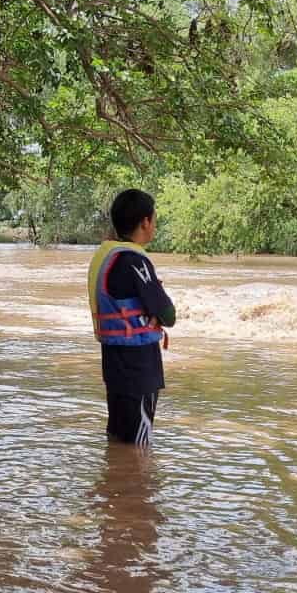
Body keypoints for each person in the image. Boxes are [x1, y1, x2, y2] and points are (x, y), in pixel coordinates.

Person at [88, 189, 176, 447]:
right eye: (154, 219)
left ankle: (115, 473)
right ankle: (132, 476)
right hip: (139, 365)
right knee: (138, 446)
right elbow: (168, 314)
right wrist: (157, 313)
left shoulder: (106, 255)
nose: (154, 225)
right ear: (145, 222)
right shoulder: (134, 261)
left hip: (113, 361)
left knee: (118, 437)